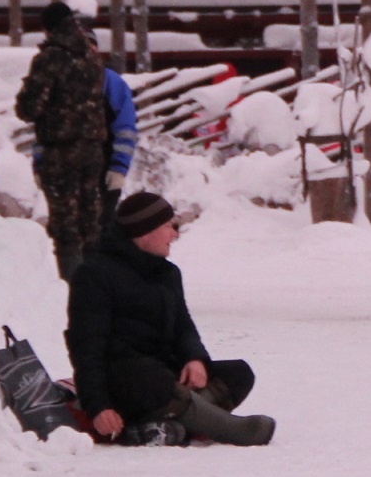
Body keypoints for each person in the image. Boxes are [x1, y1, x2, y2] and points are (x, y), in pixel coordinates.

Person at [66, 190, 274, 446]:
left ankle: (164, 426)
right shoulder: (94, 275)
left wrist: (194, 358)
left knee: (239, 373)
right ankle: (227, 428)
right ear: (145, 231)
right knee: (154, 379)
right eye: (168, 226)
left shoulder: (168, 273)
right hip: (125, 381)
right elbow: (87, 348)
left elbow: (183, 325)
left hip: (164, 376)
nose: (175, 234)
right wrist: (98, 406)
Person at [15, 0, 139, 278]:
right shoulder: (94, 61)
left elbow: (29, 109)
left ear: (48, 29)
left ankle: (75, 293)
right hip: (94, 154)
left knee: (66, 228)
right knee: (92, 227)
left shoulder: (50, 59)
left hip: (60, 155)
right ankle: (98, 286)